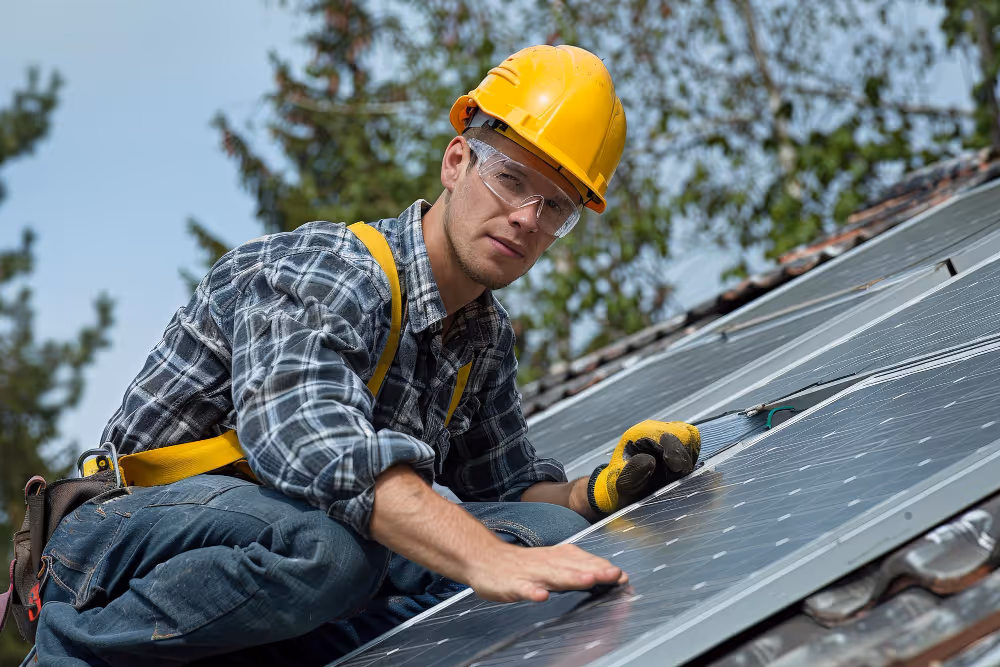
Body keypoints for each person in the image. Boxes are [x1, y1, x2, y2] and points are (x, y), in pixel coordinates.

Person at [24, 44, 700, 666]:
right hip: (114, 546)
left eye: (555, 205)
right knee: (329, 548)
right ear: (457, 161)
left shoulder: (483, 339)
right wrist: (484, 558)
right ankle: (69, 653)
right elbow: (315, 451)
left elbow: (499, 495)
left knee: (546, 530)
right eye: (511, 178)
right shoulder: (333, 270)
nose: (527, 217)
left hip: (275, 552)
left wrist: (597, 491)